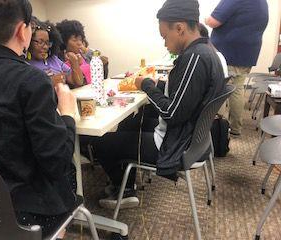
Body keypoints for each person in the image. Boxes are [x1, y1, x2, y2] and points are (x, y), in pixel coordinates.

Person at [93, 0, 226, 209]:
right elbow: (187, 93)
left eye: (165, 36)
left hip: (175, 145)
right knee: (136, 120)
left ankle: (125, 189)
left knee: (101, 142)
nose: (165, 43)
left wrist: (147, 85)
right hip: (189, 138)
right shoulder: (207, 53)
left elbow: (171, 112)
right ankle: (125, 184)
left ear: (180, 28)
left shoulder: (194, 59)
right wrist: (161, 85)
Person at [0, 0, 77, 238]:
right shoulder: (32, 81)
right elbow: (56, 162)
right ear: (21, 31)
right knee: (69, 172)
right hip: (25, 214)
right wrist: (67, 115)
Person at [205, 0, 269, 137]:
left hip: (229, 52)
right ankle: (235, 127)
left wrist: (205, 19)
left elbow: (213, 21)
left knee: (221, 89)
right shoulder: (262, 2)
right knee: (237, 88)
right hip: (247, 53)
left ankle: (218, 128)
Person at [28, 17, 84, 88]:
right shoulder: (26, 64)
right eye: (40, 42)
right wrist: (49, 82)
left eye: (47, 43)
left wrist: (74, 62)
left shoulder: (53, 59)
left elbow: (78, 82)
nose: (45, 47)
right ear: (29, 41)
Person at [56, 20, 91, 85]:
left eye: (80, 39)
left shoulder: (83, 55)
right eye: (75, 40)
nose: (79, 43)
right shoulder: (60, 60)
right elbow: (77, 83)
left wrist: (87, 51)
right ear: (64, 42)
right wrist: (74, 61)